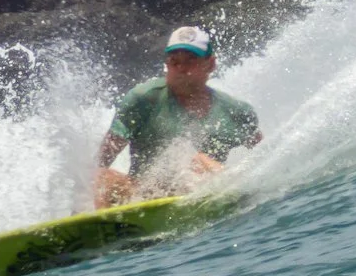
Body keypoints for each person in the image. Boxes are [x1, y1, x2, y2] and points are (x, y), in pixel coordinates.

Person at [94, 25, 262, 207]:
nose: (181, 68)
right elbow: (100, 163)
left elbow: (262, 155)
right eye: (174, 62)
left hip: (203, 197)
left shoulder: (236, 111)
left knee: (195, 160)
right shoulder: (143, 100)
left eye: (190, 61)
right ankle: (97, 228)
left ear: (210, 64)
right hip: (141, 197)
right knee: (101, 177)